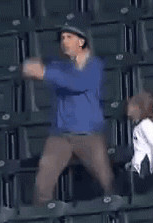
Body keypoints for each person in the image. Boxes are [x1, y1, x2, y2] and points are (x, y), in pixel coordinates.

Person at [22, 14, 115, 206]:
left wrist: (46, 73)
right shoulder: (59, 66)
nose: (64, 42)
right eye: (62, 38)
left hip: (89, 135)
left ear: (81, 41)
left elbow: (78, 83)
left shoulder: (95, 66)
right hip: (60, 136)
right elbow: (31, 68)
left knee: (107, 181)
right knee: (43, 183)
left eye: (69, 37)